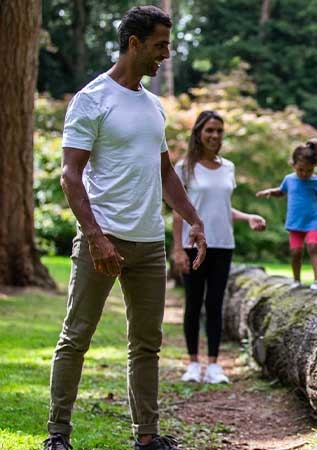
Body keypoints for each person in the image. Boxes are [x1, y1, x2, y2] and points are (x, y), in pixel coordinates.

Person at [44, 6, 206, 450]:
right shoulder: (91, 98)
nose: (166, 55)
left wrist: (193, 218)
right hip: (104, 238)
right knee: (76, 338)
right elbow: (70, 175)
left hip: (149, 243)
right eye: (160, 45)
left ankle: (147, 436)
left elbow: (165, 173)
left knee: (146, 345)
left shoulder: (153, 106)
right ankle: (57, 434)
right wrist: (95, 236)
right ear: (134, 43)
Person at [172, 110, 266, 384]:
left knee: (215, 303)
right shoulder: (184, 168)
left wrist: (247, 217)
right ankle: (192, 363)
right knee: (193, 303)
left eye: (219, 131)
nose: (214, 135)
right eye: (209, 130)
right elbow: (179, 210)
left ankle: (213, 365)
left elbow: (222, 208)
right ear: (198, 133)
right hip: (193, 245)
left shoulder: (228, 167)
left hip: (223, 244)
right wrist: (177, 249)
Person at [256, 139, 317, 289]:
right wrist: (270, 192)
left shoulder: (316, 182)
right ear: (293, 164)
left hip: (312, 222)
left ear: (314, 167)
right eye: (301, 170)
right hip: (295, 223)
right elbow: (281, 192)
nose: (304, 174)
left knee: (313, 247)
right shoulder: (289, 179)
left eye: (309, 170)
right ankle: (296, 280)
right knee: (295, 252)